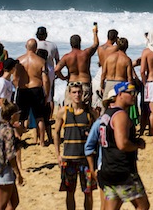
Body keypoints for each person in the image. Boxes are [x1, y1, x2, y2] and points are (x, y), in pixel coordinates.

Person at [98, 82, 149, 210]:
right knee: (143, 206)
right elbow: (122, 144)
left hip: (108, 168)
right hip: (122, 170)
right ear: (120, 94)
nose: (134, 96)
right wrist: (137, 144)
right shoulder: (120, 116)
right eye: (130, 93)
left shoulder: (106, 114)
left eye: (135, 93)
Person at [53, 82, 97, 210]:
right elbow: (56, 133)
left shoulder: (90, 112)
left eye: (79, 92)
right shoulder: (63, 112)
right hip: (68, 158)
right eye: (74, 92)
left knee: (88, 192)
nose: (77, 95)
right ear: (69, 94)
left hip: (86, 159)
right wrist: (58, 155)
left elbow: (98, 131)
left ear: (83, 93)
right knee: (70, 192)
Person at [0, 100, 24, 210]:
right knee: (1, 206)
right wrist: (18, 174)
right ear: (13, 115)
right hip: (4, 172)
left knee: (14, 202)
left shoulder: (0, 127)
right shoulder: (8, 130)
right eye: (18, 113)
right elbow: (11, 155)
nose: (19, 114)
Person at [15, 39, 50, 146]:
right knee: (39, 117)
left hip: (23, 89)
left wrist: (17, 88)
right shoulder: (41, 61)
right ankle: (42, 142)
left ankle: (18, 139)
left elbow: (15, 78)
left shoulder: (19, 60)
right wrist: (46, 94)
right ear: (36, 48)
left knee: (20, 117)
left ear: (26, 46)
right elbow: (46, 80)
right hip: (36, 89)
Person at [55, 25, 100, 106]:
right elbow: (96, 44)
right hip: (85, 83)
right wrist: (95, 33)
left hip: (72, 83)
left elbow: (56, 70)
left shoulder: (67, 57)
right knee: (85, 109)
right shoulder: (86, 53)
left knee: (69, 108)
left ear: (70, 44)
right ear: (80, 42)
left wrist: (63, 78)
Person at [93, 29, 118, 112]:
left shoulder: (100, 48)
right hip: (109, 73)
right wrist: (118, 41)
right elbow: (123, 47)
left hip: (100, 72)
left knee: (97, 102)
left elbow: (101, 61)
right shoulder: (115, 48)